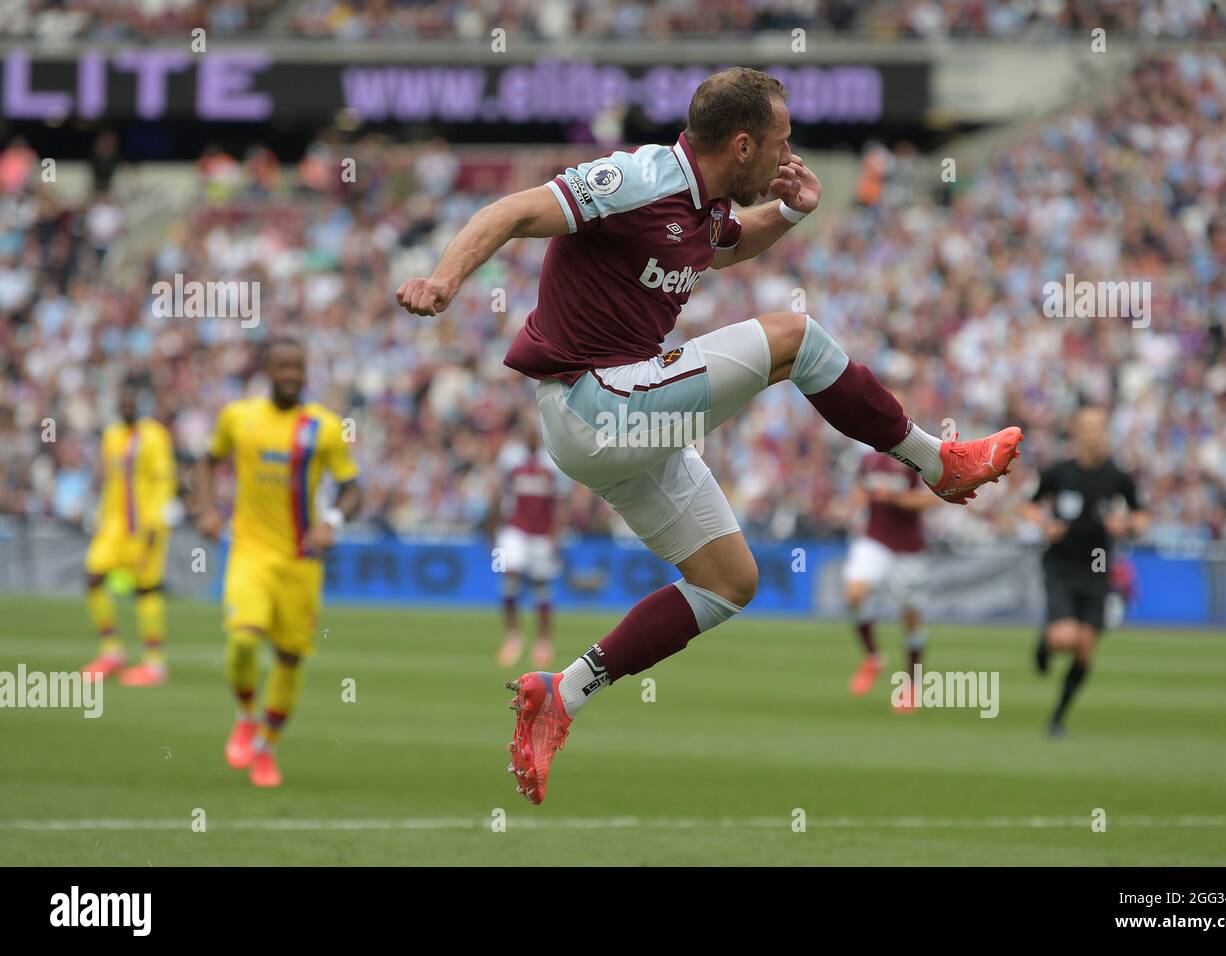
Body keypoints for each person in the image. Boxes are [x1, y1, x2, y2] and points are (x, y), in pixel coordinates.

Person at [397, 68, 1023, 803]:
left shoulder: (704, 204)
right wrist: (443, 280)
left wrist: (790, 214)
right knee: (794, 336)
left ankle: (561, 693)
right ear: (743, 143)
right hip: (594, 402)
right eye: (782, 143)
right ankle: (937, 461)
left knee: (730, 583)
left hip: (621, 423)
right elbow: (510, 210)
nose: (790, 155)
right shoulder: (638, 177)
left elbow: (722, 247)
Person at [194, 337, 362, 787]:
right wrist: (207, 509)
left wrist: (332, 521)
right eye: (283, 366)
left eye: (298, 367)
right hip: (249, 551)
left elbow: (352, 489)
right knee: (244, 641)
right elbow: (207, 463)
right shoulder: (238, 417)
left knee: (289, 659)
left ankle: (267, 748)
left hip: (302, 560)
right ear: (267, 369)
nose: (291, 374)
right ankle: (246, 714)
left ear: (307, 372)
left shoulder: (323, 427)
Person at [1021, 406, 1147, 736]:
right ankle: (1045, 646)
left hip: (1097, 568)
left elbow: (1142, 516)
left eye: (1098, 427)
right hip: (1061, 566)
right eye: (1086, 427)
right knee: (1066, 638)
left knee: (1085, 648)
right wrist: (1045, 524)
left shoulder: (1117, 476)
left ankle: (1057, 718)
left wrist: (1128, 524)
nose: (1092, 433)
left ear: (1106, 432)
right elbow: (1028, 505)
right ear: (1076, 431)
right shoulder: (1059, 472)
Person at [81, 386, 176, 686]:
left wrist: (157, 523)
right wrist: (100, 517)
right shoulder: (112, 436)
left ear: (141, 403)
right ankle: (112, 652)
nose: (126, 405)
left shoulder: (154, 436)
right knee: (94, 576)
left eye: (131, 400)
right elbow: (112, 482)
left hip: (145, 526)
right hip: (114, 526)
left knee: (145, 590)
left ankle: (154, 663)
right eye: (122, 400)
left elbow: (164, 482)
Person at [843, 452, 939, 709]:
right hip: (875, 540)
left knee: (910, 618)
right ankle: (874, 657)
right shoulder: (869, 459)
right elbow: (860, 489)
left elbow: (933, 499)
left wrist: (894, 497)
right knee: (854, 593)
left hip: (908, 549)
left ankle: (912, 683)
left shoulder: (919, 456)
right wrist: (855, 504)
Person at [487, 426, 569, 669]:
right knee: (509, 572)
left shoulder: (552, 464)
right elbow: (500, 494)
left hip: (541, 535)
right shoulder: (511, 459)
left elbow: (560, 504)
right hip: (515, 530)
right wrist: (490, 527)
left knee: (541, 586)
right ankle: (513, 637)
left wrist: (557, 535)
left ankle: (543, 642)